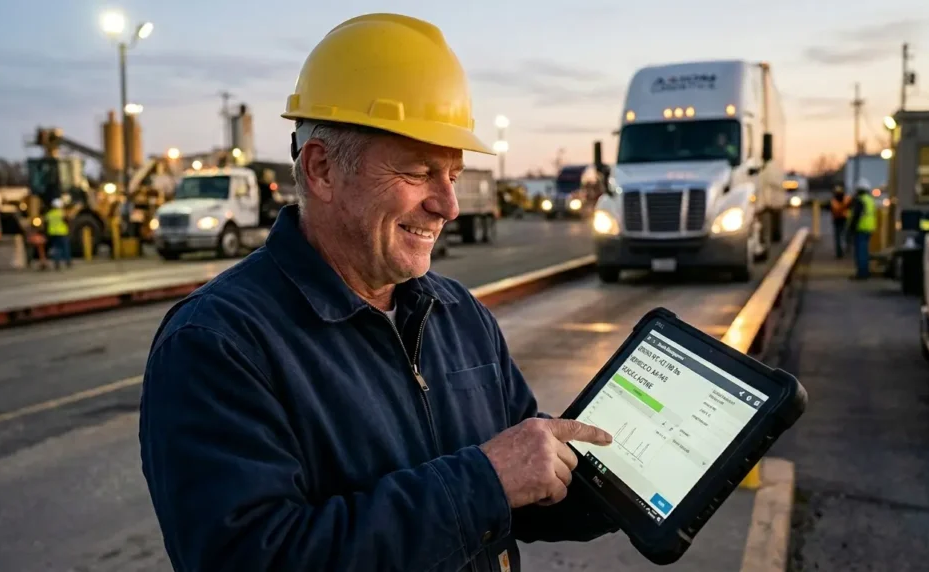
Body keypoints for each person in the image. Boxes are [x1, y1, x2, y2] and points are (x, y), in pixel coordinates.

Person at [139, 13, 618, 572]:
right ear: (321, 170)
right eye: (419, 172)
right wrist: (481, 482)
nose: (449, 205)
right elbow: (253, 557)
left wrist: (620, 487)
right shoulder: (219, 344)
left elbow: (518, 491)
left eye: (454, 176)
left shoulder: (458, 315)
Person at [847, 181, 877, 279]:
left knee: (860, 252)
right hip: (869, 227)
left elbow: (856, 216)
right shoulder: (870, 199)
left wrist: (851, 229)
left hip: (861, 228)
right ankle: (865, 271)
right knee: (865, 251)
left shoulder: (860, 200)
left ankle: (862, 273)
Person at [44, 198, 71, 270]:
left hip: (53, 234)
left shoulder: (49, 214)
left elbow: (45, 223)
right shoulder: (61, 213)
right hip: (62, 233)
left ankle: (57, 263)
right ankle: (68, 262)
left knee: (56, 248)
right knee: (65, 248)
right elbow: (67, 221)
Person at [829, 185, 851, 259]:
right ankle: (841, 252)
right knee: (842, 236)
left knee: (840, 237)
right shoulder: (845, 199)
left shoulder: (834, 200)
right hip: (841, 219)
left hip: (839, 219)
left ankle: (841, 252)